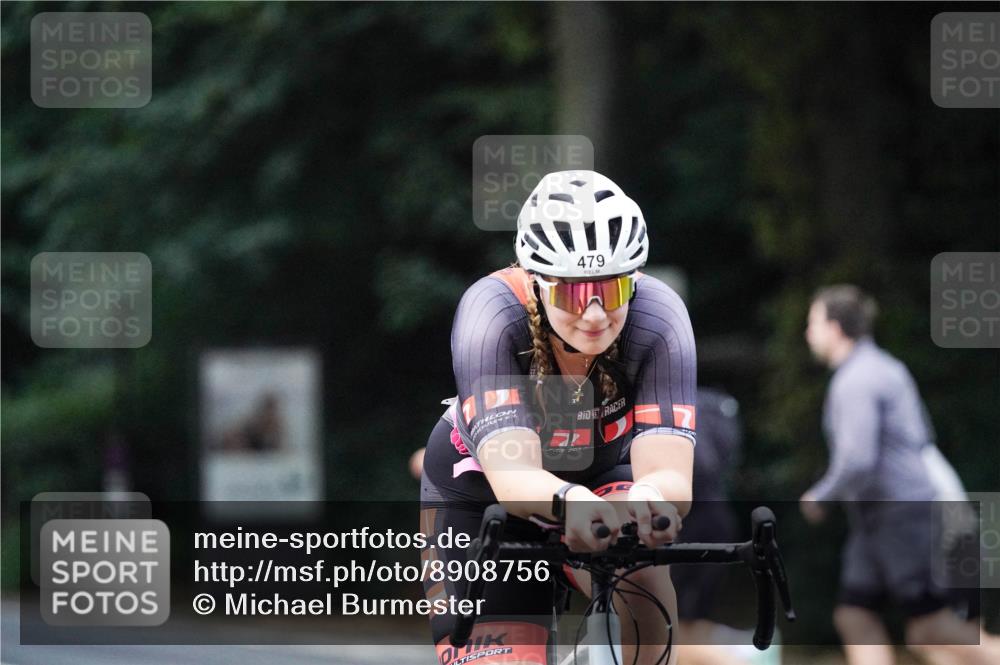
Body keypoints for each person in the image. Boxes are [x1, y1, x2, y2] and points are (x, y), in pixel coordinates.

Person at [420, 171, 697, 665]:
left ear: (634, 283)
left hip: (601, 472)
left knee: (644, 573)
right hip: (483, 491)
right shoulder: (491, 312)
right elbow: (513, 476)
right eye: (572, 294)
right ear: (538, 283)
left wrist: (648, 502)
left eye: (611, 292)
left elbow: (670, 474)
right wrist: (572, 503)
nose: (593, 315)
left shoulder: (658, 315)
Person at [800, 284, 999, 665]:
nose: (808, 333)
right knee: (854, 613)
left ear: (835, 327)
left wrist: (821, 496)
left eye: (813, 322)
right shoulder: (885, 367)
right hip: (881, 518)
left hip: (903, 514)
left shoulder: (856, 380)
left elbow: (858, 458)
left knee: (930, 630)